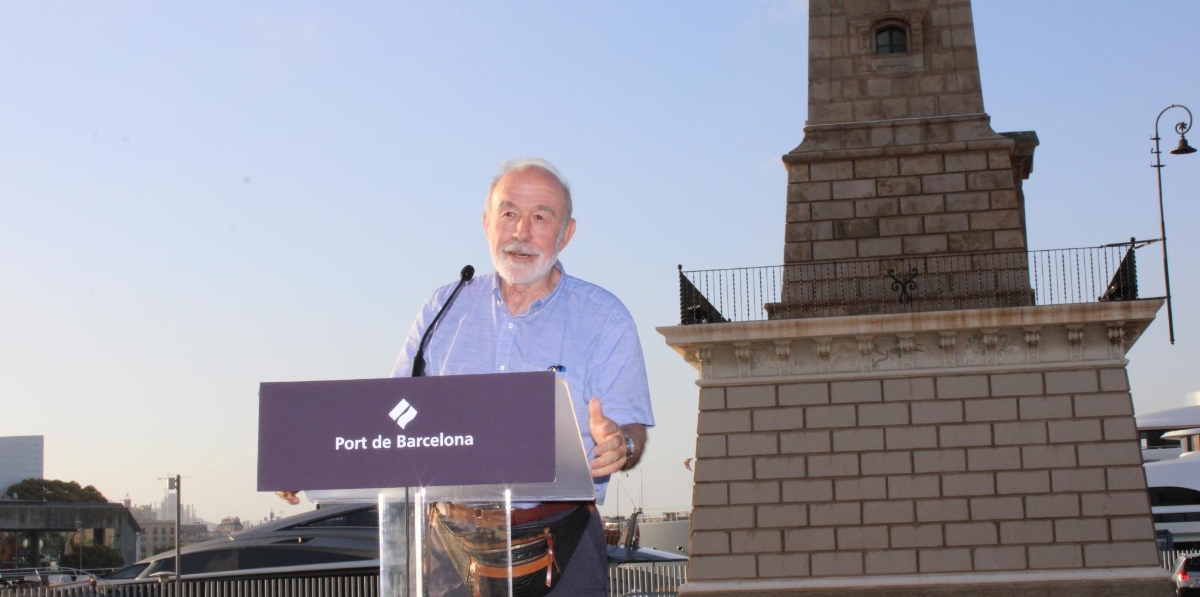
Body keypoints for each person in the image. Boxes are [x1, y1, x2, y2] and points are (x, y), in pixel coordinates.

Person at [278, 158, 654, 596]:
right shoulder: (443, 309)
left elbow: (630, 432)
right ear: (486, 223)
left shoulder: (604, 318)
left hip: (562, 545)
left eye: (540, 217)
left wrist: (621, 445)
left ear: (566, 233)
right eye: (509, 214)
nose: (521, 232)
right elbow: (393, 420)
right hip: (448, 550)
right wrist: (308, 457)